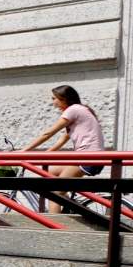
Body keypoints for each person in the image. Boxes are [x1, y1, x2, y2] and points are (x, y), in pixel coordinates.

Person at [22, 85, 107, 214]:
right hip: (88, 157)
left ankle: (55, 230)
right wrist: (46, 154)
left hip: (88, 158)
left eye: (54, 98)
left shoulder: (72, 110)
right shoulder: (80, 110)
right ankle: (66, 205)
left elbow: (48, 133)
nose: (52, 102)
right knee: (48, 170)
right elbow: (62, 140)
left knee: (54, 193)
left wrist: (24, 151)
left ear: (63, 98)